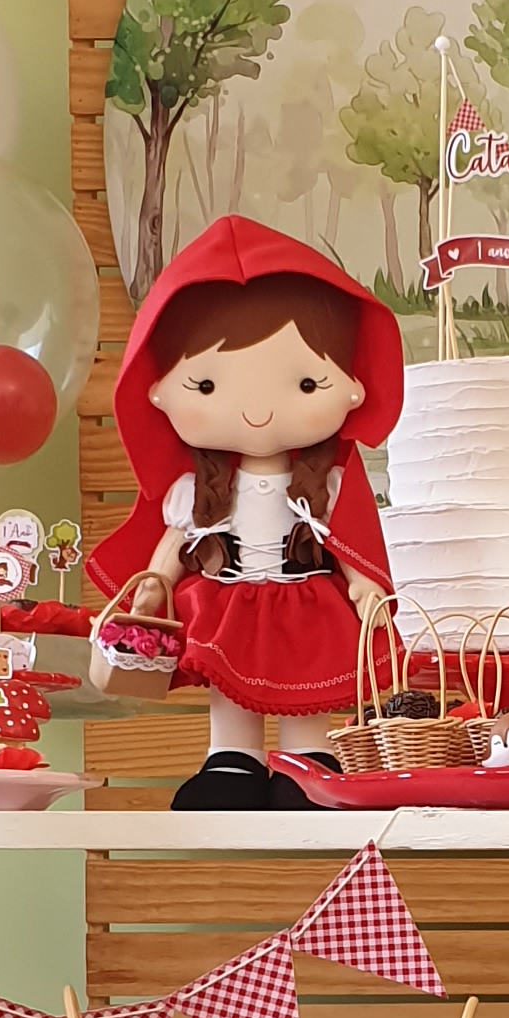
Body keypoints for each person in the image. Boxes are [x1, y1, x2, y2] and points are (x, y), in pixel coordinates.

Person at [83, 217, 405, 812]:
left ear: (353, 388)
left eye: (307, 382)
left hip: (305, 596)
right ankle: (231, 762)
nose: (257, 410)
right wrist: (154, 588)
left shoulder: (329, 484)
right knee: (232, 694)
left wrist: (364, 587)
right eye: (205, 384)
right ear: (157, 391)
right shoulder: (196, 488)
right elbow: (172, 550)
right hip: (229, 597)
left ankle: (308, 765)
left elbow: (351, 547)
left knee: (308, 691)